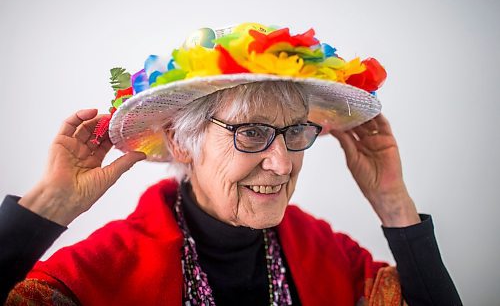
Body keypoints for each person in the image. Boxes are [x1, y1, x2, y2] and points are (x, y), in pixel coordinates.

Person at [0, 23, 462, 305]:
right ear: (182, 143)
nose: (282, 164)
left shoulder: (328, 253)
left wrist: (393, 203)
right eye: (252, 133)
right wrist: (47, 207)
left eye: (295, 131)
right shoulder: (96, 274)